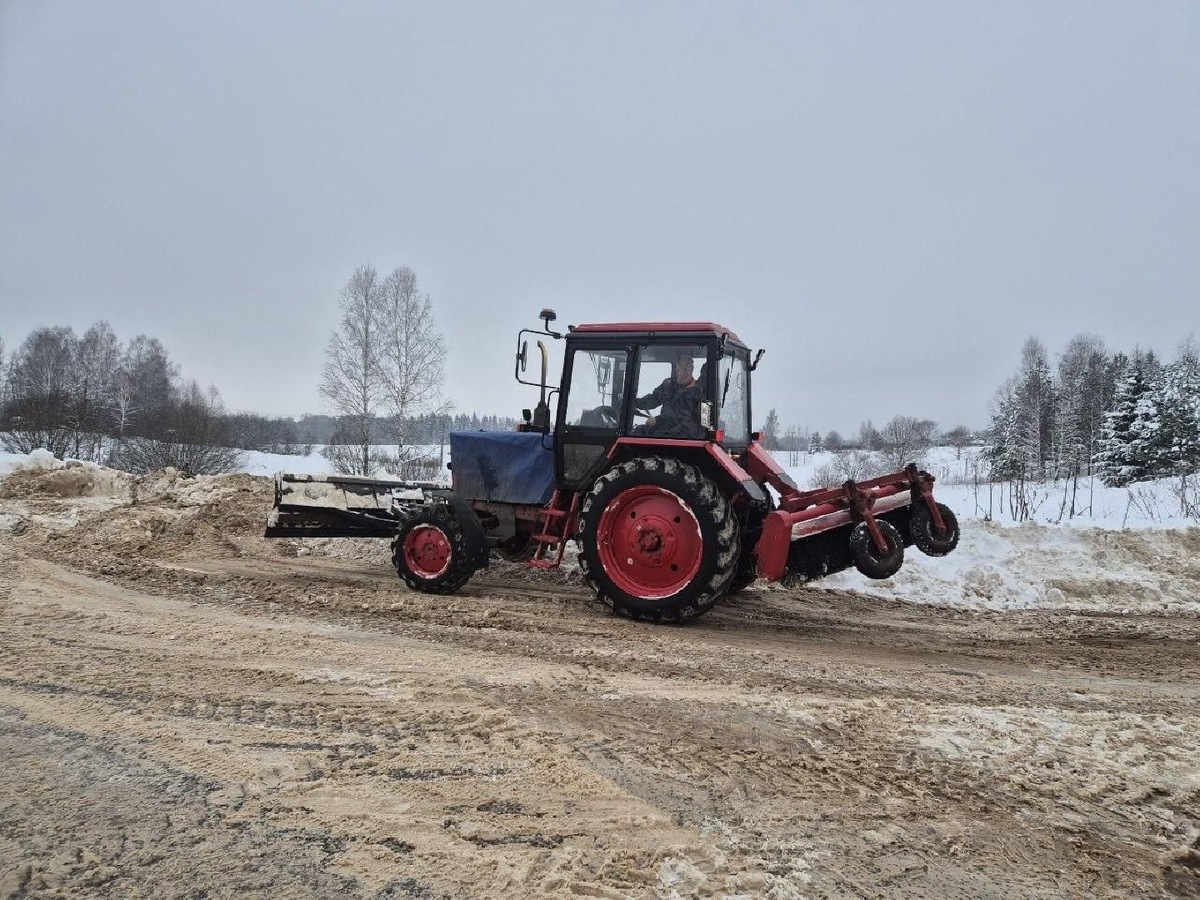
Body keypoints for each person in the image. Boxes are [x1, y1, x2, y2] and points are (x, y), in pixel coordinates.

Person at [635, 352, 704, 438]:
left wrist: (658, 420)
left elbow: (688, 421)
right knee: (638, 431)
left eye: (685, 368)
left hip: (683, 435)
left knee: (658, 434)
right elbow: (653, 399)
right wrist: (633, 403)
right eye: (678, 368)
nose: (679, 372)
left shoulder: (698, 392)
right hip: (664, 428)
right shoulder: (668, 385)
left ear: (691, 370)